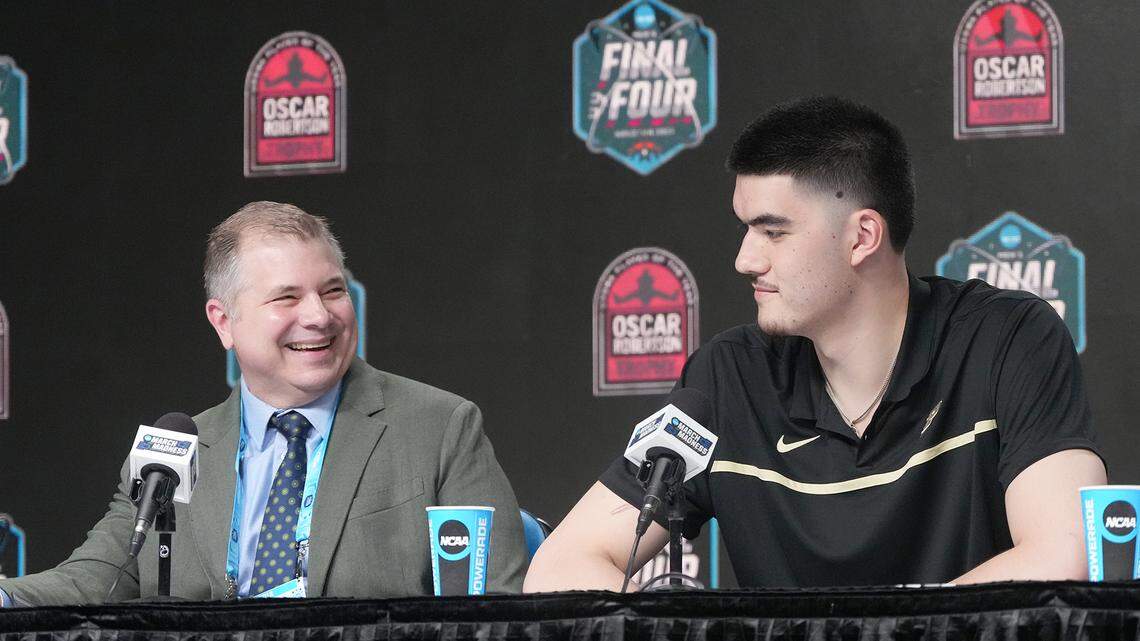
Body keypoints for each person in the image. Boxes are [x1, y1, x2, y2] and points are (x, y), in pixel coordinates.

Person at [524, 96, 1106, 590]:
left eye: (773, 231)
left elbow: (1064, 555)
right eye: (746, 229)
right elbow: (561, 565)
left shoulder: (1007, 339)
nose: (745, 259)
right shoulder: (728, 378)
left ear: (862, 237)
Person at [0, 202, 527, 605]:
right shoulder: (174, 453)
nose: (319, 316)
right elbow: (95, 579)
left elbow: (498, 607)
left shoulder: (439, 428)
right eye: (287, 297)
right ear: (224, 322)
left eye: (333, 291)